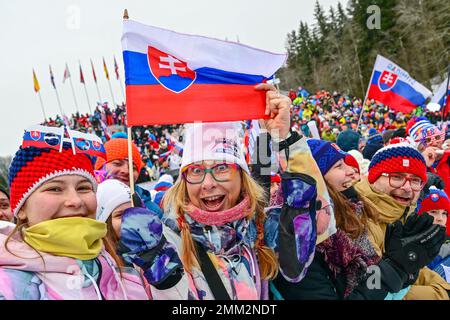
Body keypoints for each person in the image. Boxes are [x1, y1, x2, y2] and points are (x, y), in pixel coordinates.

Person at [116, 84, 320, 299]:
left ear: (242, 178)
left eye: (222, 168)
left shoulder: (260, 228)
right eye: (195, 170)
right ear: (183, 181)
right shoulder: (165, 241)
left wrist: (284, 136)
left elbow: (318, 219)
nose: (208, 183)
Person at [271, 139, 443, 299]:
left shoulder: (351, 214)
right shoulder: (294, 242)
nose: (351, 170)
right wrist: (396, 269)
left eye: (416, 181)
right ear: (315, 180)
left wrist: (402, 271)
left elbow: (376, 281)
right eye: (339, 165)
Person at [0, 135, 148, 300]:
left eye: (83, 188)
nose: (75, 201)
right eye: (55, 189)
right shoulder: (9, 287)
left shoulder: (120, 270)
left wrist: (166, 281)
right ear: (20, 208)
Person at [355, 141, 450, 299]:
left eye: (415, 180)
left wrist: (444, 288)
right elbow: (376, 287)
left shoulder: (401, 215)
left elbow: (414, 268)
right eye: (397, 177)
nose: (407, 187)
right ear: (374, 178)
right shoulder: (356, 218)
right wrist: (439, 294)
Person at [94, 137, 162, 218]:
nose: (126, 171)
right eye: (117, 164)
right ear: (101, 167)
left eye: (133, 168)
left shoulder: (152, 212)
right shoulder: (84, 204)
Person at [417, 187, 450, 282]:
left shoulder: (444, 238)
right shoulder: (411, 239)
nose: (440, 218)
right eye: (433, 212)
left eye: (444, 213)